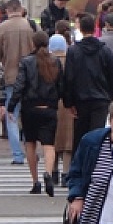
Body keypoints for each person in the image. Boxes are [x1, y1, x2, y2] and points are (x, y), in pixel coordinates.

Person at [8, 31, 64, 196]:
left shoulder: (26, 62)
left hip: (30, 108)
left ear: (33, 44)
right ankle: (48, 172)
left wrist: (12, 106)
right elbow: (61, 86)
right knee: (49, 145)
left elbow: (19, 85)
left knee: (30, 144)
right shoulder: (55, 62)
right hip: (49, 108)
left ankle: (35, 182)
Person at [63, 14, 113, 154]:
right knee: (99, 136)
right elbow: (112, 75)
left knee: (81, 137)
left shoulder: (73, 51)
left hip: (80, 100)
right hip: (101, 98)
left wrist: (68, 102)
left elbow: (69, 77)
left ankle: (81, 166)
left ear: (81, 29)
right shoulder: (104, 50)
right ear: (94, 29)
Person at [0, 0, 35, 165]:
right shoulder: (31, 26)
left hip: (11, 76)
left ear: (7, 11)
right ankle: (30, 151)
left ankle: (17, 155)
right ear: (21, 9)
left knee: (12, 115)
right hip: (31, 76)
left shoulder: (1, 28)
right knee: (28, 116)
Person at [50, 33, 74, 186]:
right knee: (67, 142)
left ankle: (53, 171)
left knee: (52, 140)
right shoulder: (71, 60)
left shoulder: (47, 61)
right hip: (68, 104)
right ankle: (66, 173)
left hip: (51, 103)